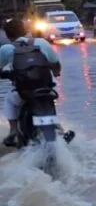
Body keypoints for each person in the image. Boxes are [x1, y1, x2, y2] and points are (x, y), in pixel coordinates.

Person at [0, 18, 60, 147]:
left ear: (8, 35)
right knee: (50, 103)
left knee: (9, 101)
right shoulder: (42, 42)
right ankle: (59, 128)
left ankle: (14, 131)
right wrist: (56, 73)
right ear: (24, 30)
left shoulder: (6, 49)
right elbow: (56, 64)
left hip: (23, 93)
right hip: (48, 90)